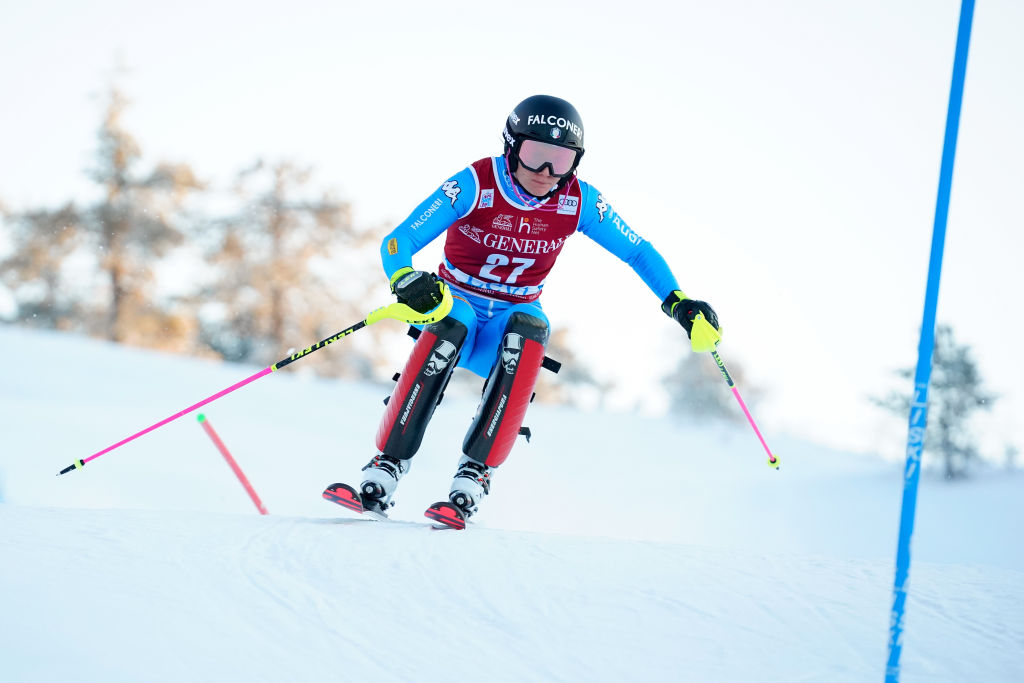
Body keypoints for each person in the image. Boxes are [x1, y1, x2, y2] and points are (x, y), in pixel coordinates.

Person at [356, 94, 719, 520]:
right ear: (511, 147)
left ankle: (475, 474)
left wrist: (677, 302)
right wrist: (405, 278)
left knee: (529, 330)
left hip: (511, 317)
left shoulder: (578, 201)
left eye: (561, 161)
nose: (547, 173)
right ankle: (387, 465)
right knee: (451, 322)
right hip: (458, 303)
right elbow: (398, 241)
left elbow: (637, 251)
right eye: (535, 156)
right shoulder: (477, 182)